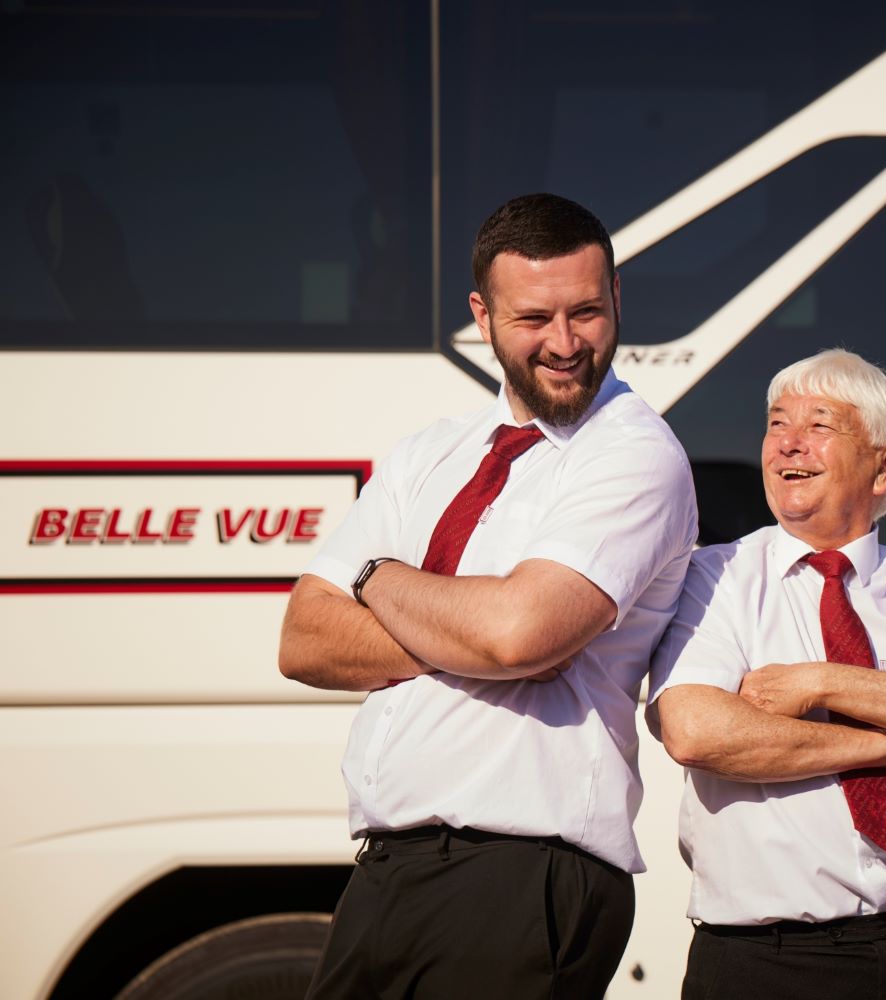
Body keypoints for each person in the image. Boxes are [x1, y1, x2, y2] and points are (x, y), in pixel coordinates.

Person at [279, 193, 698, 999]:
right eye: (534, 318)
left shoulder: (635, 455)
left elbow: (517, 635)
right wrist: (465, 632)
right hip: (386, 872)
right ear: (482, 313)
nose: (566, 343)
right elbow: (303, 637)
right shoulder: (428, 453)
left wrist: (376, 578)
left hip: (524, 877)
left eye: (587, 311)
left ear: (618, 299)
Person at [648, 348, 886, 1000]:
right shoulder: (712, 578)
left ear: (885, 463)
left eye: (820, 424)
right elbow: (697, 731)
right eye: (776, 423)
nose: (787, 443)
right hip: (762, 964)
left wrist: (821, 683)